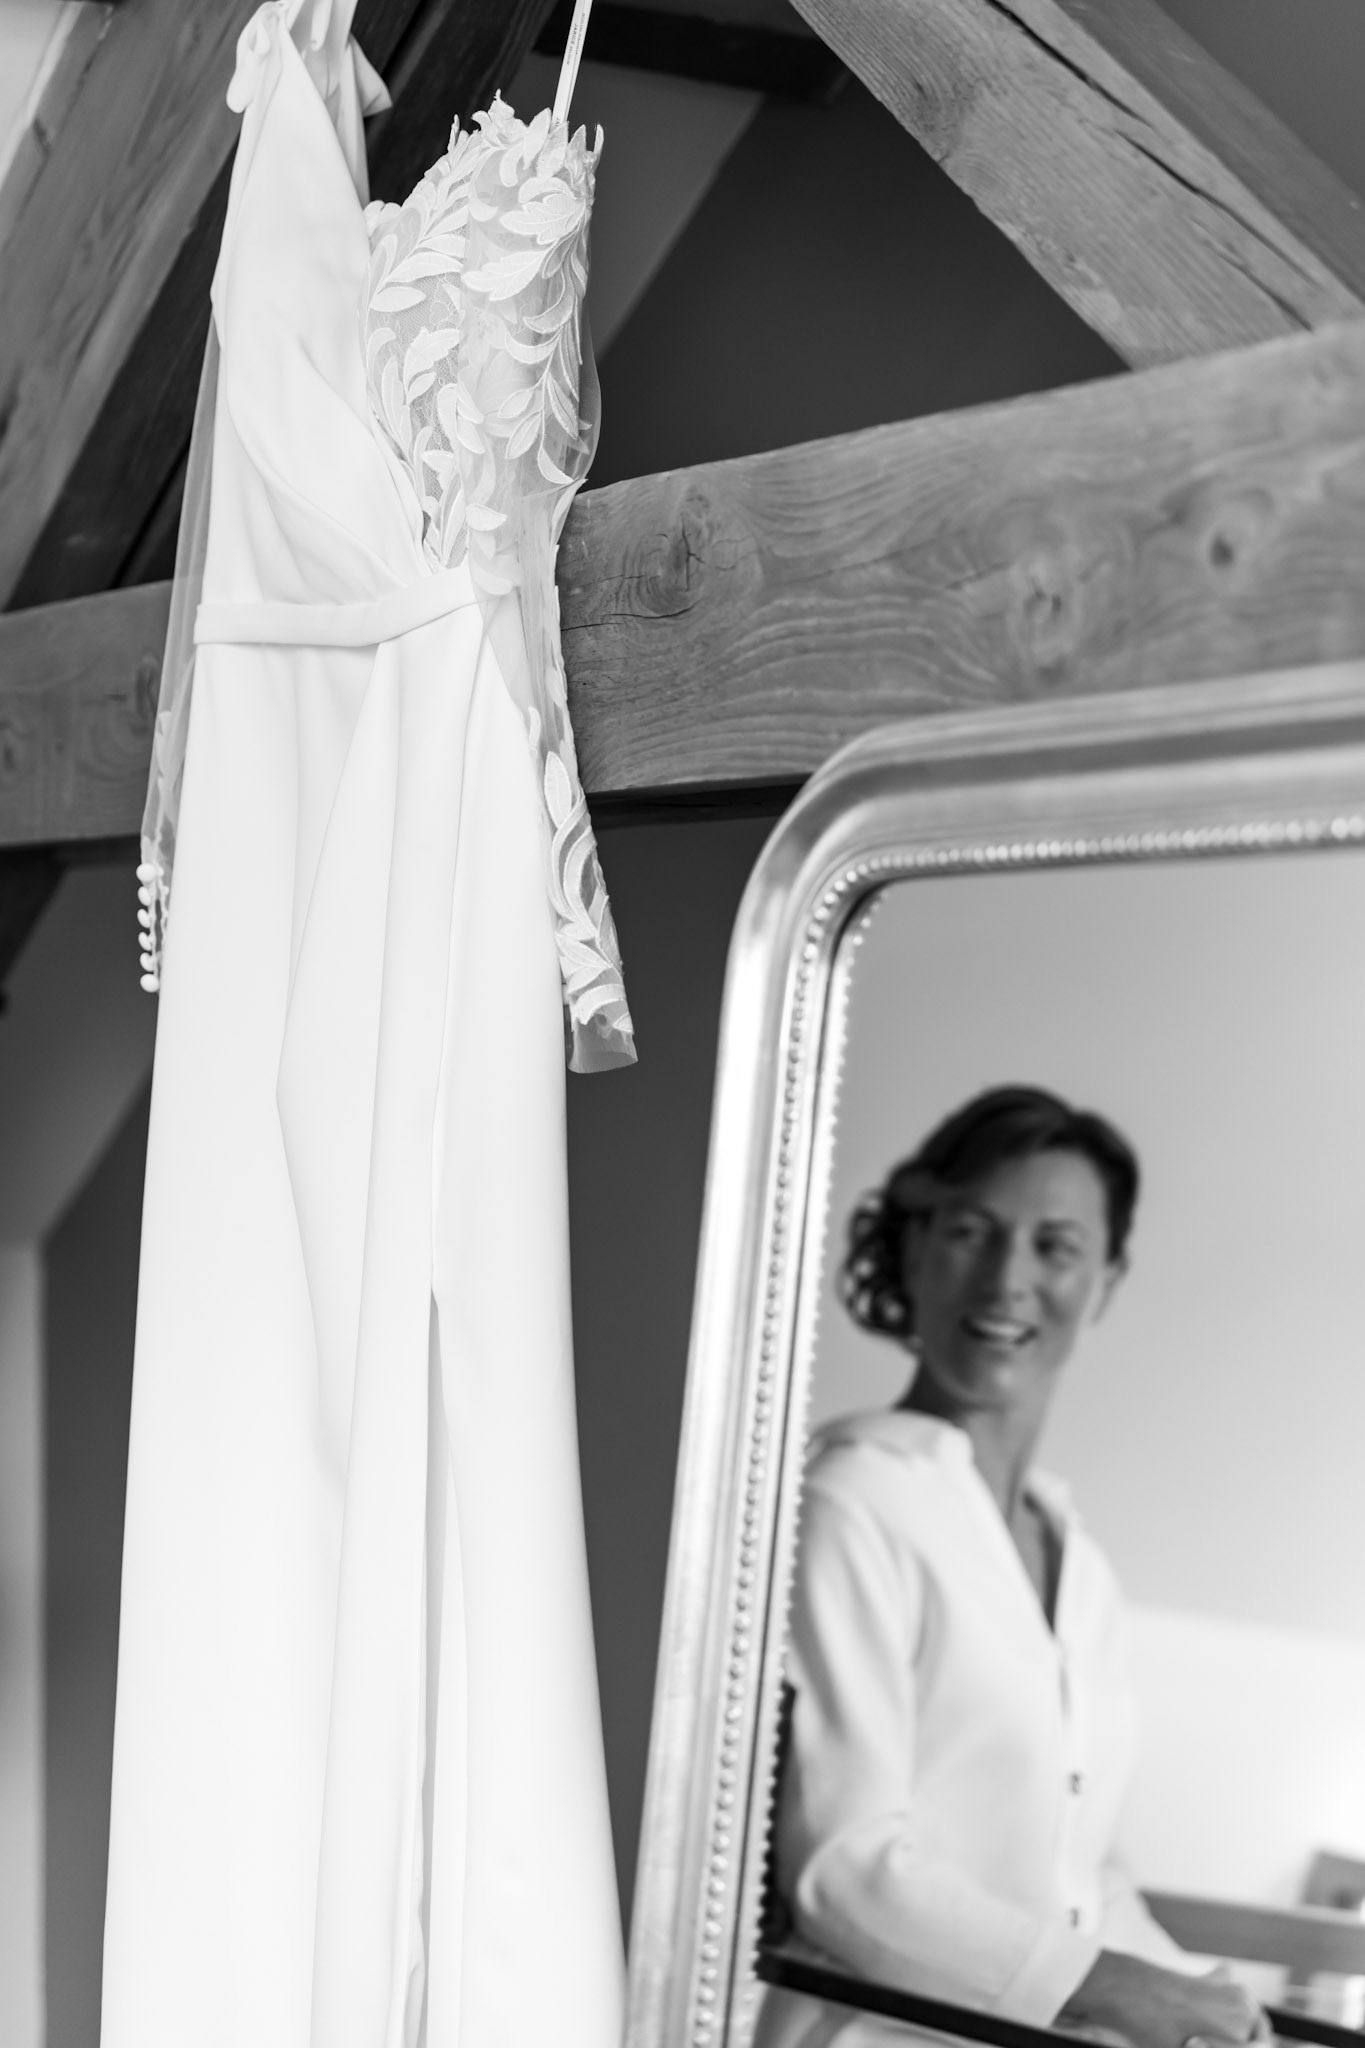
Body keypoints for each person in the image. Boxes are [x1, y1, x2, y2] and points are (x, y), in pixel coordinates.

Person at [758, 1086, 1268, 2048]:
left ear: (1105, 1281)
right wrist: (1113, 1989)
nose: (1006, 1280)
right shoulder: (851, 1503)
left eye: (1054, 1247)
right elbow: (842, 1868)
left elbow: (1083, 1881)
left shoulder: (1082, 1567)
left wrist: (1208, 2003)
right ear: (914, 1246)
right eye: (970, 1232)